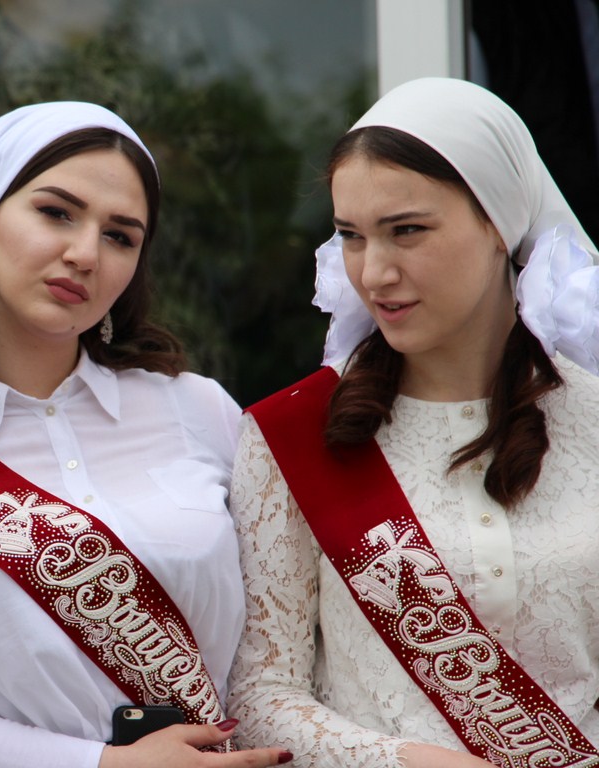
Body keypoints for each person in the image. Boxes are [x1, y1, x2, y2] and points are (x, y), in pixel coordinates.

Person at [0, 101, 293, 768]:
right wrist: (105, 765)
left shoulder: (200, 411)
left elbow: (272, 660)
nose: (85, 254)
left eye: (120, 236)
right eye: (56, 213)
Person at [228, 77, 599, 768]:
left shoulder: (594, 419)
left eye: (407, 231)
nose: (374, 272)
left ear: (499, 225)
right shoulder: (291, 434)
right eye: (351, 236)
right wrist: (407, 761)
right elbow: (258, 695)